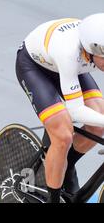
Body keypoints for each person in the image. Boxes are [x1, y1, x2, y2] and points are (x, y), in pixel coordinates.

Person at [15, 13, 104, 203]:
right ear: (91, 49)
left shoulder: (94, 49)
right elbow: (76, 111)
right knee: (63, 135)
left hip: (72, 69)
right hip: (35, 68)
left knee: (98, 124)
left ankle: (66, 165)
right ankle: (53, 199)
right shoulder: (68, 50)